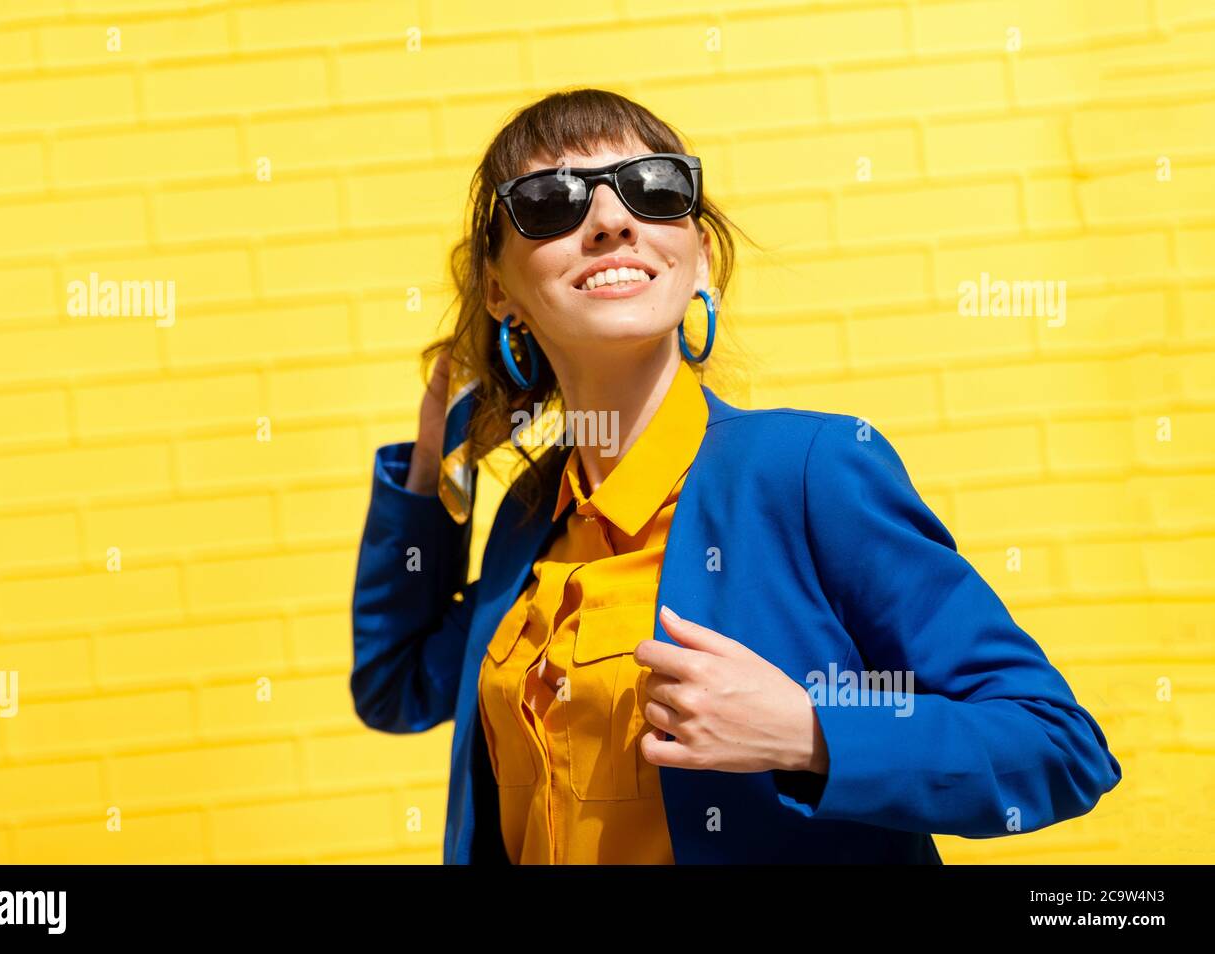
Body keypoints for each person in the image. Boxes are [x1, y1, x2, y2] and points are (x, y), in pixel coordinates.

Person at [350, 88, 1122, 864]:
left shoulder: (810, 472)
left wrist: (809, 733)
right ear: (499, 291)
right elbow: (396, 687)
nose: (613, 220)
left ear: (700, 262)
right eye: (551, 200)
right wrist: (427, 481)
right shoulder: (532, 514)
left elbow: (1057, 745)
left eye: (654, 189)